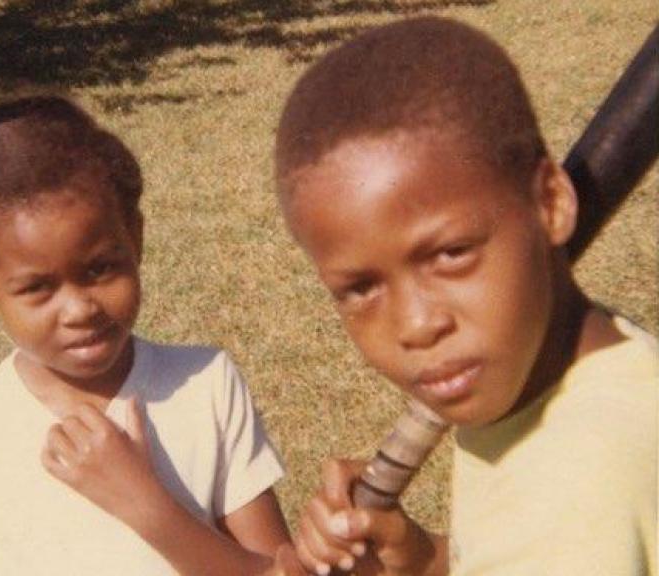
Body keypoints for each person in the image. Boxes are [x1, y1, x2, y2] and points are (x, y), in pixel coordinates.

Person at [273, 16, 657, 576]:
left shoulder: (581, 479)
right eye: (360, 288)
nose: (416, 324)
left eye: (452, 253)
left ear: (550, 201)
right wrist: (426, 558)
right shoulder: (552, 381)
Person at [0, 95, 292, 576]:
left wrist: (145, 504)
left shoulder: (205, 385)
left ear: (136, 239)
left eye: (100, 268)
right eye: (38, 288)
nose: (81, 308)